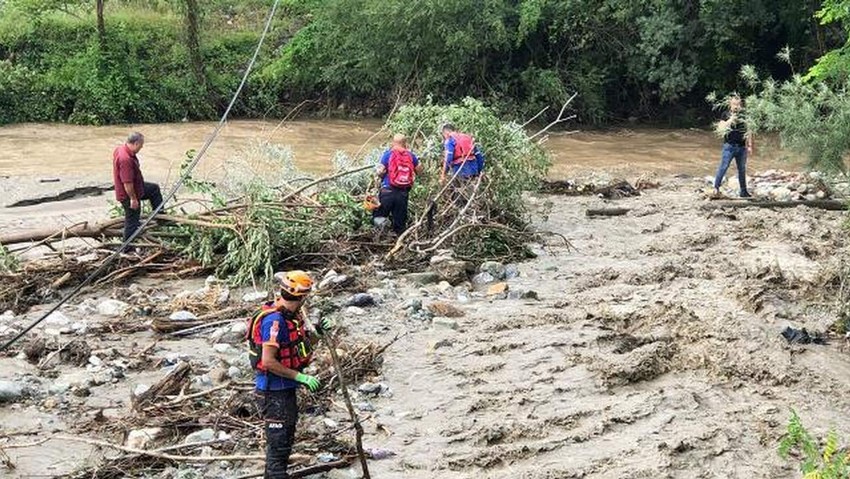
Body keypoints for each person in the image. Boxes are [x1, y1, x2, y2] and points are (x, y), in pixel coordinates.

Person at [247, 271, 331, 479]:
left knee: (284, 445)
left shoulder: (292, 317)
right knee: (278, 449)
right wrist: (300, 377)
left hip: (285, 391)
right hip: (273, 392)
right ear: (302, 296)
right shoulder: (274, 321)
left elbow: (299, 348)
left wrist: (318, 336)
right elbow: (268, 361)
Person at [112, 132, 163, 242]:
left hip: (137, 188)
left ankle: (160, 215)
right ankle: (127, 248)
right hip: (128, 194)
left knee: (154, 189)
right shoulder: (125, 159)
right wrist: (133, 199)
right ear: (136, 143)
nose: (142, 147)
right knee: (132, 222)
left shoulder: (121, 149)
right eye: (141, 145)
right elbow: (127, 183)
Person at [373, 133, 422, 235]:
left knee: (378, 217)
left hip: (387, 190)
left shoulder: (388, 154)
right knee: (400, 224)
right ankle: (398, 242)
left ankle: (381, 236)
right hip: (403, 193)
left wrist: (380, 175)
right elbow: (419, 170)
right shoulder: (411, 155)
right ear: (405, 143)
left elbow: (380, 171)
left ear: (393, 143)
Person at [713, 96, 753, 198]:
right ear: (730, 104)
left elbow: (749, 131)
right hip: (729, 146)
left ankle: (743, 191)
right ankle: (715, 188)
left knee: (742, 169)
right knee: (723, 167)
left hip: (741, 147)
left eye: (738, 104)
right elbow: (720, 128)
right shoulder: (725, 114)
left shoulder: (744, 116)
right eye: (734, 104)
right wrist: (731, 120)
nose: (736, 106)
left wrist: (749, 145)